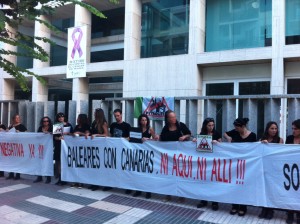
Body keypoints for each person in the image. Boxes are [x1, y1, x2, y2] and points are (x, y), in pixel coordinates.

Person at [224, 117, 257, 217]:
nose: (236, 129)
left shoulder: (252, 135)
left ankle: (243, 207)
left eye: (237, 127)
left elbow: (254, 150)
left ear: (243, 126)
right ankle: (234, 205)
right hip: (235, 164)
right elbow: (225, 133)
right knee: (234, 184)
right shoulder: (234, 132)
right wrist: (228, 138)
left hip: (247, 165)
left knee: (244, 185)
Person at [160, 110, 191, 202]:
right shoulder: (165, 128)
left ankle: (181, 195)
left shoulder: (181, 125)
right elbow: (162, 139)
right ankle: (168, 195)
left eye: (175, 116)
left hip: (181, 156)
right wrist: (158, 137)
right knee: (169, 176)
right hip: (169, 156)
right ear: (167, 119)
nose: (174, 119)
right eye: (172, 117)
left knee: (180, 175)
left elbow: (189, 134)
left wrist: (184, 137)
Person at [258, 121, 283, 220]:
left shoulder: (280, 140)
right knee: (263, 189)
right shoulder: (262, 139)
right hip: (263, 169)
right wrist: (261, 143)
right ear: (267, 129)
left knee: (272, 190)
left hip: (274, 169)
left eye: (275, 128)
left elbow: (280, 154)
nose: (274, 130)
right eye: (272, 128)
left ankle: (270, 210)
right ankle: (264, 208)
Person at [195, 117, 221, 211]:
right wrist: (195, 140)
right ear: (205, 126)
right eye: (209, 125)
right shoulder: (202, 134)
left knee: (214, 182)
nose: (211, 127)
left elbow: (222, 146)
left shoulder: (217, 133)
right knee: (204, 182)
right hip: (204, 162)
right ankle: (203, 200)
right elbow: (199, 146)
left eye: (212, 125)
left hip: (214, 162)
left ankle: (215, 202)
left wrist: (217, 142)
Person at [132, 114, 159, 199]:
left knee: (147, 172)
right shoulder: (137, 129)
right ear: (140, 121)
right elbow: (133, 139)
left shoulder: (150, 129)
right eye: (142, 120)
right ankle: (138, 190)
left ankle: (148, 191)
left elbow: (155, 139)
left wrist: (147, 139)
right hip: (138, 152)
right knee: (138, 171)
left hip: (147, 153)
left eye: (145, 120)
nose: (144, 122)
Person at [110, 108, 131, 194]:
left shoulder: (127, 125)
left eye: (118, 116)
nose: (117, 117)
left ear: (121, 115)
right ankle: (111, 184)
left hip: (123, 150)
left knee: (124, 168)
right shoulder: (113, 125)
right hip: (114, 149)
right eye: (115, 116)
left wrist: (122, 139)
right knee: (113, 167)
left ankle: (127, 186)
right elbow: (111, 136)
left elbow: (130, 138)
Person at [89, 108, 109, 191]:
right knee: (95, 166)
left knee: (102, 166)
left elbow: (106, 134)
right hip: (94, 146)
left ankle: (105, 183)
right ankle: (95, 183)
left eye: (95, 113)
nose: (94, 114)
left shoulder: (103, 123)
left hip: (102, 146)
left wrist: (97, 135)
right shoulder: (94, 122)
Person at [285, 119, 300, 224]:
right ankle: (289, 213)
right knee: (290, 191)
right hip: (290, 169)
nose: (293, 131)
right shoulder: (289, 138)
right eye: (292, 128)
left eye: (296, 129)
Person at [53, 112, 73, 185]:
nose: (61, 118)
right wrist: (59, 138)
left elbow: (72, 134)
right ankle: (60, 177)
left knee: (64, 161)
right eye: (59, 117)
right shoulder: (57, 125)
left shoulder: (68, 125)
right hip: (58, 145)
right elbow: (54, 137)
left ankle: (65, 178)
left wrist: (67, 134)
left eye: (62, 117)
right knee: (58, 161)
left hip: (66, 145)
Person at [6, 114, 27, 180]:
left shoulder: (21, 126)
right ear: (13, 119)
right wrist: (7, 131)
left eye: (18, 118)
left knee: (17, 160)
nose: (18, 119)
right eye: (16, 118)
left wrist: (20, 132)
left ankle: (18, 174)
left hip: (18, 145)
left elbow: (27, 133)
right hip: (11, 145)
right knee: (11, 160)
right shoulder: (11, 126)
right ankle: (11, 174)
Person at [72, 114, 90, 188]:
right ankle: (76, 181)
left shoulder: (86, 126)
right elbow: (74, 133)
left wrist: (79, 133)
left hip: (83, 147)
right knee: (75, 164)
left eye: (78, 118)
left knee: (82, 165)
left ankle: (81, 182)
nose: (77, 119)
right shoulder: (76, 126)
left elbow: (87, 134)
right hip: (76, 147)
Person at [33, 116, 53, 184]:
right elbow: (37, 136)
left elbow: (56, 135)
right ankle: (39, 176)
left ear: (49, 122)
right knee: (39, 162)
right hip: (41, 147)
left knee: (48, 162)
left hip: (49, 148)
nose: (46, 122)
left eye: (47, 121)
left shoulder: (52, 128)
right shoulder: (40, 128)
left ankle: (48, 177)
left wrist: (50, 133)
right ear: (42, 122)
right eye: (44, 121)